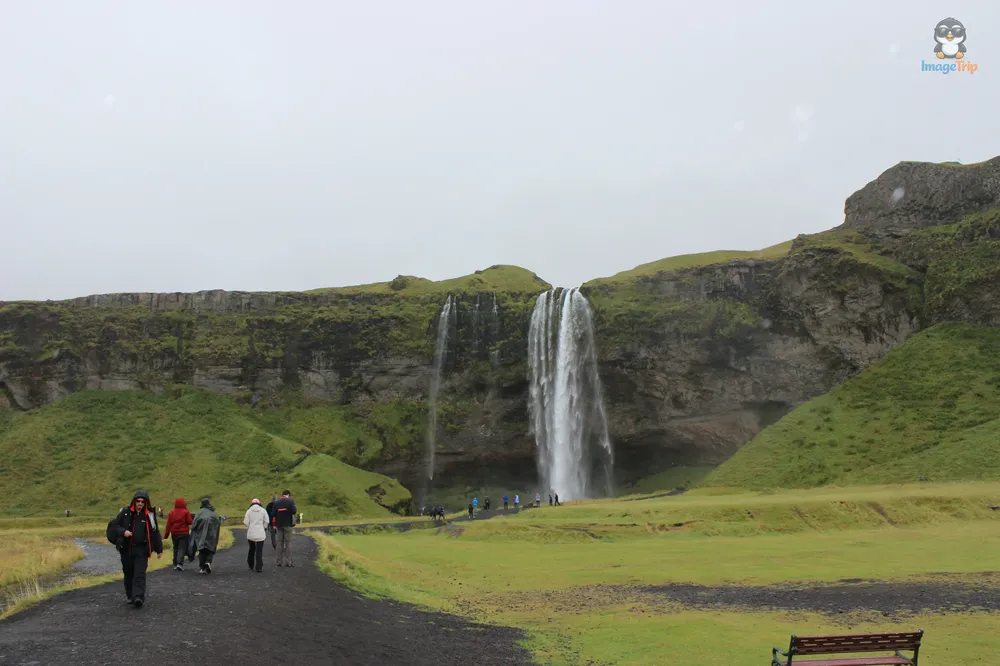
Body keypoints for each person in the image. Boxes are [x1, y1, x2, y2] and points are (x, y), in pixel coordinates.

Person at [106, 489, 163, 608]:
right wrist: (123, 532)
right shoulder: (125, 513)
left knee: (140, 573)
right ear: (134, 501)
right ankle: (130, 595)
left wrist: (159, 549)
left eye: (143, 501)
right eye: (138, 501)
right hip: (127, 549)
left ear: (146, 502)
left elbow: (155, 532)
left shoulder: (150, 515)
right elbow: (114, 525)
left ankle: (138, 597)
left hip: (142, 549)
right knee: (128, 573)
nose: (140, 504)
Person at [191, 497, 221, 574]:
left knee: (202, 550)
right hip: (211, 533)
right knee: (210, 549)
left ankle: (202, 567)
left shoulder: (199, 512)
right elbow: (218, 523)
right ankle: (208, 562)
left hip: (201, 534)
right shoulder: (213, 512)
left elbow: (194, 524)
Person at [163, 497, 194, 571]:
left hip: (174, 533)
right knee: (181, 548)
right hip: (184, 533)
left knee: (175, 547)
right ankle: (179, 564)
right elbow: (190, 522)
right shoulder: (186, 512)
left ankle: (175, 563)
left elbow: (168, 525)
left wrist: (166, 535)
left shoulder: (171, 512)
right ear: (183, 503)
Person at [273, 489, 297, 567]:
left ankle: (278, 562)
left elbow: (273, 513)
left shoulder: (277, 502)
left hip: (279, 525)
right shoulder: (290, 501)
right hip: (288, 524)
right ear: (288, 495)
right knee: (288, 543)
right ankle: (288, 562)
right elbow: (294, 511)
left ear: (282, 495)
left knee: (279, 543)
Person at [244, 498, 269, 573]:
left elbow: (246, 522)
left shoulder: (248, 511)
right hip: (260, 533)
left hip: (251, 533)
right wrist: (264, 527)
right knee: (259, 550)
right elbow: (267, 521)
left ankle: (250, 564)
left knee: (251, 549)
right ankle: (259, 567)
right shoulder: (263, 510)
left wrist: (249, 527)